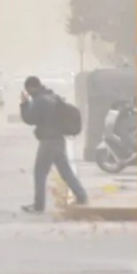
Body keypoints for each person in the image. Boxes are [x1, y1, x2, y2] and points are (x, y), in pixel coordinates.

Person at [19, 76, 87, 213]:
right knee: (65, 171)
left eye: (27, 90)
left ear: (31, 88)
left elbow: (29, 119)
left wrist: (24, 104)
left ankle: (39, 205)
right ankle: (81, 195)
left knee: (40, 172)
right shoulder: (53, 97)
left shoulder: (39, 101)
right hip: (59, 139)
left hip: (48, 141)